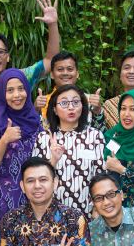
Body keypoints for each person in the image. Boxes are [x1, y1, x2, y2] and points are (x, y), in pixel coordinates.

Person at [0, 0, 61, 130]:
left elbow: (51, 60)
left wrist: (52, 25)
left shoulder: (21, 77)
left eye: (0, 51)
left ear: (8, 56)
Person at [0, 69, 42, 220]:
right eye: (10, 90)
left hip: (35, 201)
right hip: (2, 204)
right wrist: (4, 140)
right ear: (1, 94)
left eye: (21, 89)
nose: (17, 95)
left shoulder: (36, 122)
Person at [32, 84, 106, 212]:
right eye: (64, 103)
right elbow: (36, 179)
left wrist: (97, 209)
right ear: (54, 109)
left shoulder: (94, 136)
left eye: (76, 102)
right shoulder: (43, 138)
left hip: (86, 212)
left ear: (83, 107)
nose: (71, 107)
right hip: (51, 213)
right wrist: (53, 161)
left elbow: (101, 176)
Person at [34, 51, 103, 129]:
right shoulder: (43, 102)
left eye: (70, 69)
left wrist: (98, 111)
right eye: (60, 69)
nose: (65, 73)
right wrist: (35, 111)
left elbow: (101, 134)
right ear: (52, 75)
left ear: (77, 74)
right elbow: (34, 134)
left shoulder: (90, 100)